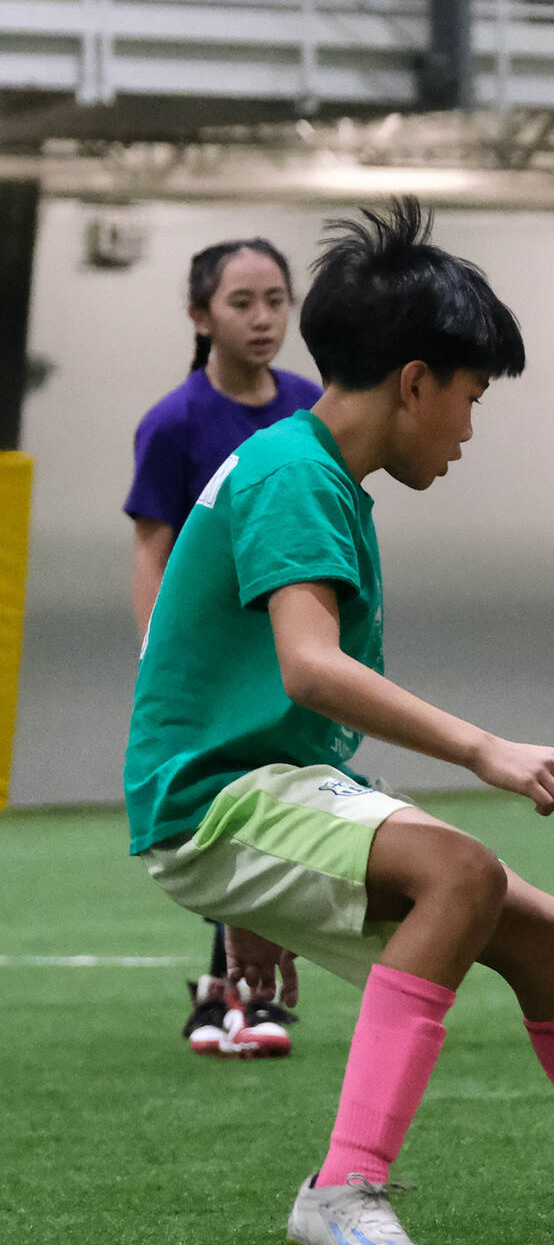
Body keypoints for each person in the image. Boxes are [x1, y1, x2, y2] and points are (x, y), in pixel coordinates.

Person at [124, 198, 554, 1245]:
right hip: (222, 798)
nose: (470, 429)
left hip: (270, 783)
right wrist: (482, 748)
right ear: (417, 380)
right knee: (461, 872)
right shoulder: (295, 475)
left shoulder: (314, 470)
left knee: (546, 938)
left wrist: (251, 901)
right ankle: (343, 1191)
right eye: (471, 398)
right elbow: (310, 667)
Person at [127, 237, 322, 1058]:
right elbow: (152, 546)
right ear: (201, 315)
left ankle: (228, 993)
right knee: (223, 809)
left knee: (280, 804)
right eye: (242, 302)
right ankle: (233, 992)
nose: (263, 317)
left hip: (290, 646)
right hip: (208, 660)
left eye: (276, 299)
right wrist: (155, 659)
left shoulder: (312, 403)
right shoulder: (172, 423)